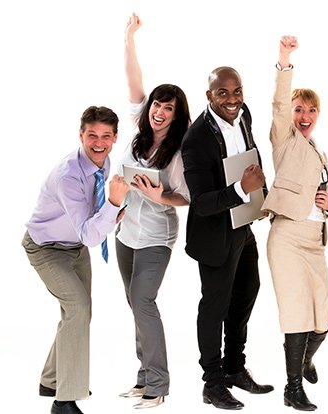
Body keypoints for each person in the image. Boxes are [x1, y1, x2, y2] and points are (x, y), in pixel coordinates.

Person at [23, 106, 129, 414]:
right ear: (80, 134)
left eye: (106, 136)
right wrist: (113, 204)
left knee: (80, 312)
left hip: (75, 248)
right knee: (78, 309)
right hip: (46, 248)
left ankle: (51, 379)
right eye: (92, 135)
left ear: (114, 138)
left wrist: (114, 212)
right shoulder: (68, 175)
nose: (99, 143)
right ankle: (64, 400)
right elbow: (90, 235)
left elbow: (90, 226)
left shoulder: (104, 163)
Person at [181, 63, 272, 410]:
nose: (232, 99)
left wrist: (259, 194)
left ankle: (235, 367)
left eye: (237, 92)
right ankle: (213, 383)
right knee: (214, 307)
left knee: (248, 291)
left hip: (243, 223)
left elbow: (250, 152)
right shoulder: (196, 140)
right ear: (209, 96)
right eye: (223, 93)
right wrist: (240, 189)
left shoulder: (243, 114)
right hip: (214, 234)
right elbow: (201, 203)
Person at [115, 13, 191, 409]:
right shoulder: (138, 127)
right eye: (158, 105)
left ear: (177, 117)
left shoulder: (177, 153)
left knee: (144, 302)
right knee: (133, 303)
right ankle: (143, 378)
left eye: (168, 109)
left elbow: (185, 197)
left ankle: (159, 386)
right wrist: (129, 38)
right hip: (126, 233)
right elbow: (133, 81)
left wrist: (156, 194)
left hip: (156, 238)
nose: (160, 112)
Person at [262, 36, 328, 412]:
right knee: (296, 314)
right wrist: (285, 61)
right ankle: (292, 389)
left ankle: (305, 359)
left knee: (322, 320)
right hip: (287, 238)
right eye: (298, 110)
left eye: (311, 110)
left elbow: (320, 194)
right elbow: (278, 103)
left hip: (315, 241)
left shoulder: (319, 150)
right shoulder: (284, 141)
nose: (304, 115)